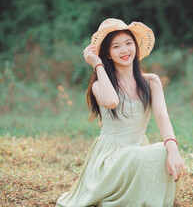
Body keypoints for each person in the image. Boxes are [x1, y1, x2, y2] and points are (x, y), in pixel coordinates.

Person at [56, 18, 185, 207]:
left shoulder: (151, 81)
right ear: (107, 54)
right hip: (111, 158)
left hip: (138, 152)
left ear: (135, 47)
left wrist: (173, 148)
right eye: (116, 46)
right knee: (136, 156)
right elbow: (111, 101)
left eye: (128, 43)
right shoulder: (100, 86)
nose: (124, 50)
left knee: (163, 151)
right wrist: (97, 65)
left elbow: (162, 115)